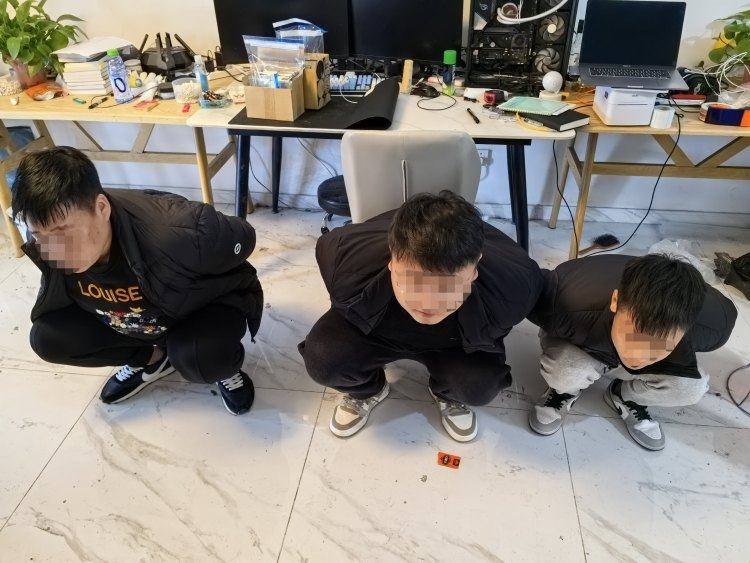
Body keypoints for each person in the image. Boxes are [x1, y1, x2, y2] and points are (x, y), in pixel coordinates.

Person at [12, 147, 263, 414]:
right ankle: (154, 360)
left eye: (63, 232)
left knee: (201, 357)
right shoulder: (45, 236)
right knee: (47, 339)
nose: (55, 249)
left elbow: (244, 236)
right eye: (39, 234)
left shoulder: (179, 231)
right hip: (135, 319)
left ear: (101, 208)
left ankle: (224, 369)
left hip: (191, 311)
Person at [299, 191, 543, 442]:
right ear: (392, 258)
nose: (428, 305)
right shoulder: (343, 259)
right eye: (411, 282)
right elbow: (327, 250)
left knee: (479, 385)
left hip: (454, 345)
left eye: (448, 288)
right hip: (375, 331)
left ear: (474, 268)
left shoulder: (516, 288)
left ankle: (446, 394)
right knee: (324, 360)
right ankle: (369, 390)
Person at [527, 254, 737, 450]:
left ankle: (624, 395)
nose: (637, 357)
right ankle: (564, 392)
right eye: (632, 334)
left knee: (691, 388)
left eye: (660, 345)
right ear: (615, 301)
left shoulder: (716, 327)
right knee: (565, 372)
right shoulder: (561, 299)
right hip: (583, 336)